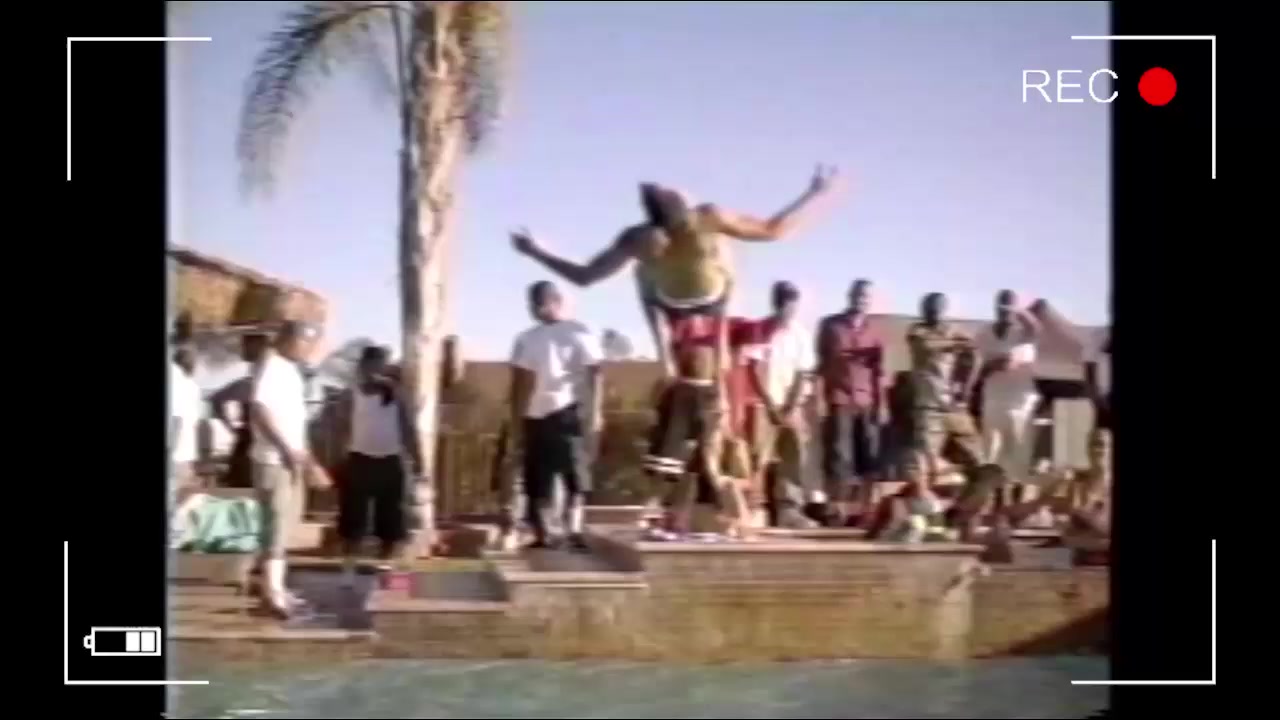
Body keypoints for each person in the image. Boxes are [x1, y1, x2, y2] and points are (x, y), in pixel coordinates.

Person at [510, 166, 843, 386]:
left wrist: (536, 251)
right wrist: (813, 194)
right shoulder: (695, 221)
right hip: (696, 299)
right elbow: (772, 230)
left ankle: (683, 353)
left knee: (653, 268)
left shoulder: (649, 234)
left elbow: (585, 276)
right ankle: (682, 353)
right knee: (698, 256)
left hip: (689, 300)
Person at [508, 281, 604, 551]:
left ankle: (574, 528)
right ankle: (543, 532)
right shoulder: (527, 338)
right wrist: (516, 419)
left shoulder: (578, 332)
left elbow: (596, 373)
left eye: (539, 303)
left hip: (566, 410)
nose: (535, 309)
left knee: (574, 473)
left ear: (555, 302)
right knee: (538, 476)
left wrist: (595, 412)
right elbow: (520, 381)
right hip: (535, 414)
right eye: (532, 304)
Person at [248, 320, 331, 617]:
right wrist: (284, 450)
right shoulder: (271, 365)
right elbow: (259, 409)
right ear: (289, 339)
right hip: (274, 460)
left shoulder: (291, 371)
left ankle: (274, 588)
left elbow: (295, 425)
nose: (309, 349)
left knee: (284, 527)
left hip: (291, 459)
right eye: (306, 341)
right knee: (276, 524)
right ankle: (272, 593)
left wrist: (310, 462)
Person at [905, 293, 1005, 539]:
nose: (933, 313)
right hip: (928, 408)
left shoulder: (954, 331)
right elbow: (927, 347)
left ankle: (959, 514)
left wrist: (966, 387)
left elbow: (975, 354)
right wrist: (954, 344)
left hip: (954, 408)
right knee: (923, 465)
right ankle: (924, 520)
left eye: (938, 309)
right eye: (929, 309)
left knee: (985, 469)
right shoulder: (917, 331)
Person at [336, 346, 423, 586]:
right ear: (362, 367)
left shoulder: (398, 395)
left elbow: (409, 430)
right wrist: (339, 460)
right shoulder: (351, 394)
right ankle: (349, 569)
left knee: (392, 521)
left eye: (380, 366)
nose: (375, 371)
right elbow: (341, 428)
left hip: (391, 462)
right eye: (370, 366)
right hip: (359, 461)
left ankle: (385, 568)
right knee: (353, 520)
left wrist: (419, 462)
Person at [744, 281, 818, 529]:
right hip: (764, 403)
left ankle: (789, 509)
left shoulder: (801, 335)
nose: (789, 310)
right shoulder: (761, 330)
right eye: (784, 304)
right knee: (757, 456)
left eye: (793, 305)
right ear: (776, 304)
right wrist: (770, 405)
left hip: (791, 405)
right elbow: (754, 369)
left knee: (794, 454)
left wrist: (790, 407)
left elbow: (802, 373)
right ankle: (754, 507)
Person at [815, 279, 885, 526]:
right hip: (839, 397)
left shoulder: (876, 330)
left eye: (866, 296)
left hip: (866, 399)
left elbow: (879, 371)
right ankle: (837, 510)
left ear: (871, 300)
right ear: (849, 295)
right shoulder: (830, 325)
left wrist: (881, 405)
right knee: (839, 455)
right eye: (858, 295)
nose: (861, 300)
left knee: (869, 456)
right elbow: (821, 364)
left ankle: (866, 511)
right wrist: (819, 398)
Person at [975, 290, 1042, 492]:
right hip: (993, 401)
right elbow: (978, 368)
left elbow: (1036, 328)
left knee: (1017, 458)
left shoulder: (1024, 336)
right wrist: (992, 366)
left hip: (1020, 405)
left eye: (1009, 307)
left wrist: (1017, 309)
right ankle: (989, 498)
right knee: (990, 456)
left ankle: (1010, 501)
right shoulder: (984, 334)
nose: (1004, 311)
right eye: (1001, 306)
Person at [210, 333, 270, 488]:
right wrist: (230, 426)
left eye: (245, 345)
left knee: (244, 486)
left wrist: (230, 426)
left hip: (250, 443)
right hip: (252, 442)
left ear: (256, 347)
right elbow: (216, 400)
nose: (241, 349)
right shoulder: (250, 383)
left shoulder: (251, 383)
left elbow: (216, 399)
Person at [169, 342, 204, 505]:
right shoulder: (193, 387)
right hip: (188, 454)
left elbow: (176, 420)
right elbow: (194, 423)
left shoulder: (175, 385)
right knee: (182, 503)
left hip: (175, 455)